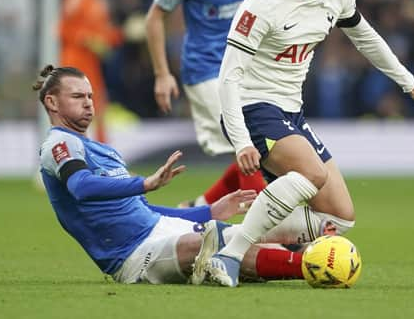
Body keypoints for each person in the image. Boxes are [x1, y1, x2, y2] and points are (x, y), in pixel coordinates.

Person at [199, 0, 414, 287]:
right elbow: (229, 77)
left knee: (340, 216)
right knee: (312, 174)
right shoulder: (264, 2)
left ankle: (222, 236)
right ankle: (229, 257)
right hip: (252, 106)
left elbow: (365, 36)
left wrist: (409, 83)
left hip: (290, 113)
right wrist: (240, 142)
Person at [33, 64, 309, 284]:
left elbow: (148, 213)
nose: (89, 103)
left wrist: (209, 212)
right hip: (132, 256)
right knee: (208, 244)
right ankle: (310, 267)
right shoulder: (60, 143)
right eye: (78, 96)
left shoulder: (104, 151)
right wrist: (145, 183)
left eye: (90, 96)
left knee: (254, 232)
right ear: (52, 103)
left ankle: (317, 246)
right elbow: (80, 186)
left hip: (160, 232)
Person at [145, 0, 266, 207]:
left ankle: (196, 210)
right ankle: (276, 230)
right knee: (248, 145)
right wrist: (162, 74)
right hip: (205, 72)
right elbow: (155, 16)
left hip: (243, 68)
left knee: (256, 147)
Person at [59, 0, 122, 143]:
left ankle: (105, 158)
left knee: (97, 108)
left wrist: (122, 34)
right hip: (74, 61)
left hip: (91, 63)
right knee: (71, 110)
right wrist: (85, 39)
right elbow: (62, 29)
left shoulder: (99, 2)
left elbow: (103, 36)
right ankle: (59, 155)